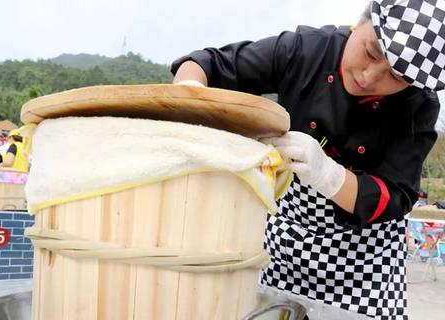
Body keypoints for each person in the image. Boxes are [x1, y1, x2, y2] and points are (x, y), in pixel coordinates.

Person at [171, 0, 442, 319]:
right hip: (284, 244)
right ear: (361, 21)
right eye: (370, 52)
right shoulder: (306, 51)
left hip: (362, 265)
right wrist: (187, 101)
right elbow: (206, 65)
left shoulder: (418, 105)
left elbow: (396, 195)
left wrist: (330, 176)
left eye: (395, 77)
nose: (369, 77)